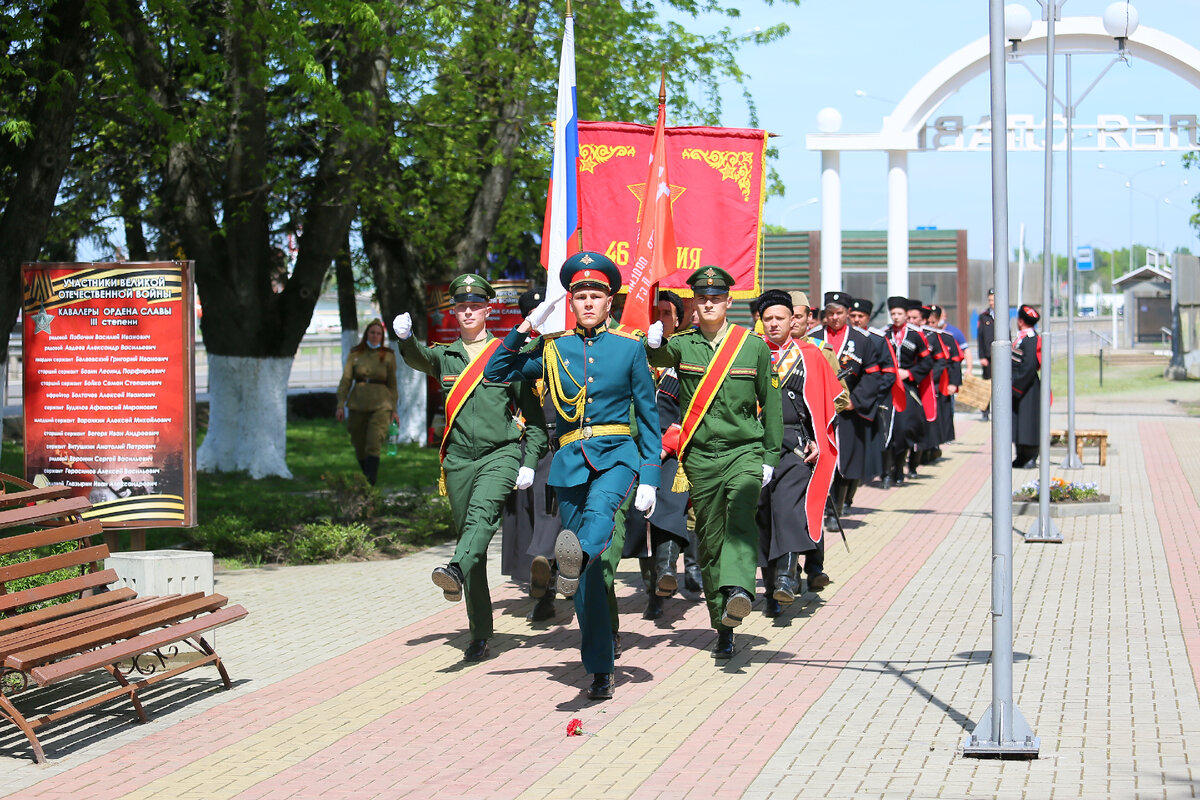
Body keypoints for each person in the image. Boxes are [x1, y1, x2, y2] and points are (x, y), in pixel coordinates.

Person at [484, 251, 660, 701]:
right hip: (569, 464)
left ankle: (574, 554)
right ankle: (600, 667)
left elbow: (649, 413)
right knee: (588, 575)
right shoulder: (553, 348)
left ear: (609, 301)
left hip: (618, 455)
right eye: (579, 295)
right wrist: (526, 327)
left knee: (598, 520)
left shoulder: (629, 348)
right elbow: (495, 372)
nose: (586, 302)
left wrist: (651, 476)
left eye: (595, 295)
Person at [392, 275, 549, 662]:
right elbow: (416, 358)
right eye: (461, 306)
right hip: (459, 460)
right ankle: (479, 630)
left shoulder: (505, 353)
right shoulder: (445, 356)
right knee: (471, 543)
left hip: (501, 454)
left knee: (482, 519)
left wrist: (529, 461)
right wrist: (405, 339)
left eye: (475, 306)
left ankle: (453, 573)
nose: (467, 312)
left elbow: (534, 419)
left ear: (488, 309)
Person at [645, 266, 782, 659]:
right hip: (701, 456)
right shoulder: (684, 344)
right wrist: (653, 339)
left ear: (728, 301)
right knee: (709, 540)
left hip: (744, 451)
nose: (708, 303)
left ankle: (740, 588)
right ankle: (723, 620)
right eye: (702, 298)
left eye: (716, 297)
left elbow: (770, 404)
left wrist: (770, 455)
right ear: (695, 303)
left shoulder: (751, 346)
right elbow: (656, 355)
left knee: (740, 512)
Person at [755, 290, 840, 615]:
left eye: (780, 318)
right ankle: (772, 590)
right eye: (768, 319)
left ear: (794, 320)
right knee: (763, 515)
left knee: (789, 509)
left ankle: (788, 579)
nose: (774, 324)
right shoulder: (752, 353)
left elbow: (827, 403)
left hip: (797, 445)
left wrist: (820, 438)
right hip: (758, 444)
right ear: (760, 322)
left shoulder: (811, 354)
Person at [621, 290, 692, 620]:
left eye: (665, 312)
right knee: (639, 512)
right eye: (653, 310)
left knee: (670, 502)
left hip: (676, 449)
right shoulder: (629, 352)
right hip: (636, 448)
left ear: (677, 319)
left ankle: (667, 570)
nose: (658, 317)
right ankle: (654, 588)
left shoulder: (686, 354)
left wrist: (666, 445)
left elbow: (693, 408)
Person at [500, 287, 562, 623]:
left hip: (556, 440)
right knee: (524, 515)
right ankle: (538, 584)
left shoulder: (563, 348)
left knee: (550, 510)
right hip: (525, 440)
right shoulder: (521, 351)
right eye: (535, 314)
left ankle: (548, 587)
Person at [809, 292, 889, 530]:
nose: (834, 318)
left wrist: (856, 400)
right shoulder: (813, 338)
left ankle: (836, 511)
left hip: (848, 411)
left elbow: (873, 375)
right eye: (830, 313)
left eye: (839, 313)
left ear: (846, 313)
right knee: (820, 459)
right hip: (818, 410)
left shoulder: (862, 340)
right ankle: (821, 507)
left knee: (844, 462)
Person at [335, 319, 399, 486]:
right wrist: (340, 404)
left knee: (374, 443)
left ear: (382, 336)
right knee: (359, 443)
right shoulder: (356, 353)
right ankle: (365, 478)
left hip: (381, 405)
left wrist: (394, 409)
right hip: (358, 403)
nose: (375, 336)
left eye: (379, 333)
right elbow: (346, 380)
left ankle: (370, 485)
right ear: (366, 335)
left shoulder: (388, 355)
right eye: (372, 332)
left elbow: (392, 384)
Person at [886, 297, 934, 486]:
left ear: (906, 315)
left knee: (904, 429)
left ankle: (900, 468)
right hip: (888, 388)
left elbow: (927, 362)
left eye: (899, 314)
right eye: (893, 314)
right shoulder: (884, 334)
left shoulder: (915, 335)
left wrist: (910, 373)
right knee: (888, 431)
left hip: (907, 388)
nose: (896, 317)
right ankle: (887, 472)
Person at [1012, 304, 1042, 468]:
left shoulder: (1030, 339)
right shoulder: (1022, 337)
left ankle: (1030, 455)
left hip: (1026, 387)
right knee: (1018, 423)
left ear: (1021, 321)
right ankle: (1021, 455)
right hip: (1018, 386)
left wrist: (1016, 386)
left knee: (1028, 423)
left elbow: (1029, 365)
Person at [977, 289, 996, 421]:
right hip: (988, 357)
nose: (991, 302)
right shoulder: (984, 316)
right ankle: (985, 412)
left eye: (993, 300)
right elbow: (980, 337)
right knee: (985, 385)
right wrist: (982, 356)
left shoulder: (1003, 314)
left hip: (999, 357)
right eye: (989, 300)